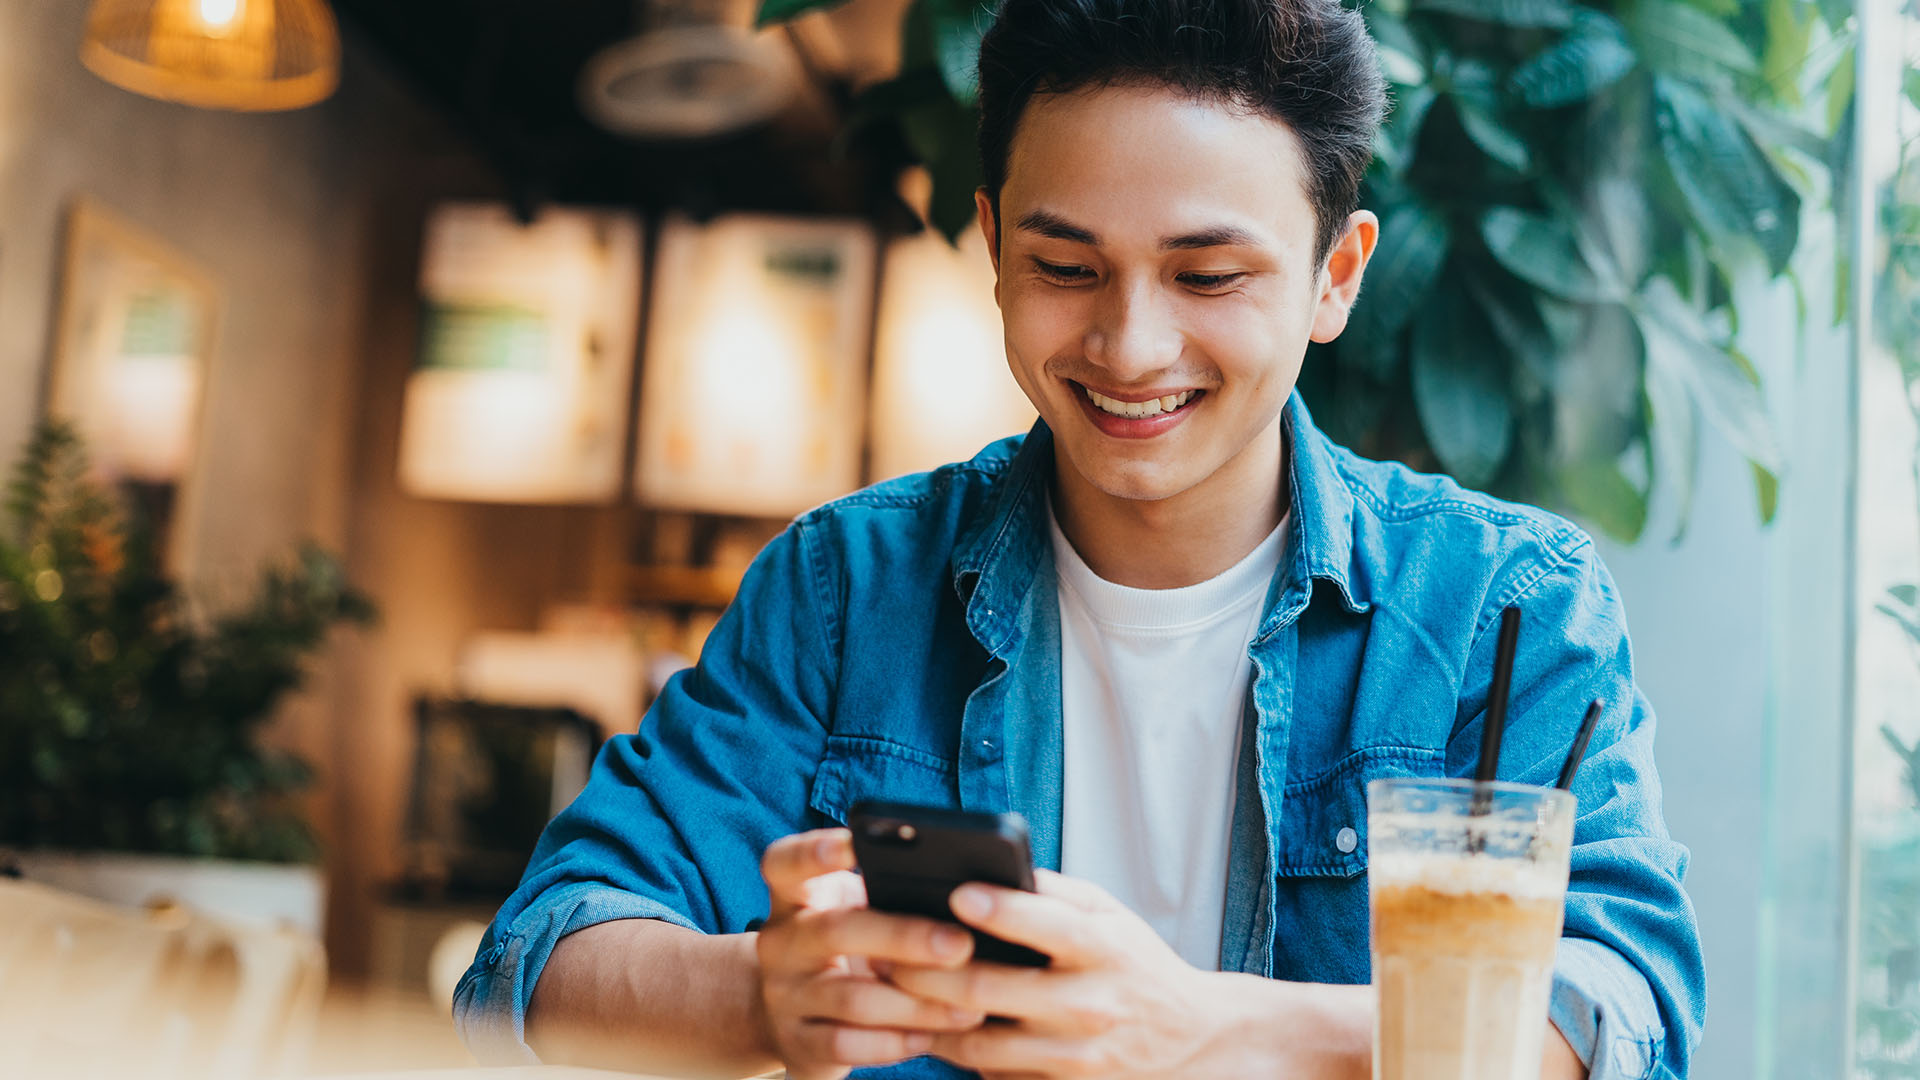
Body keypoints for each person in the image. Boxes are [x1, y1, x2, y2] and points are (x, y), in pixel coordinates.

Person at [454, 0, 1707, 1075]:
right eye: (1067, 266)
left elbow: (1618, 1022)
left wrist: (1197, 1030)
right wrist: (762, 994)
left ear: (1337, 274)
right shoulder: (848, 589)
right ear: (993, 247)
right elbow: (533, 966)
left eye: (1208, 277)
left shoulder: (1509, 606)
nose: (1130, 348)